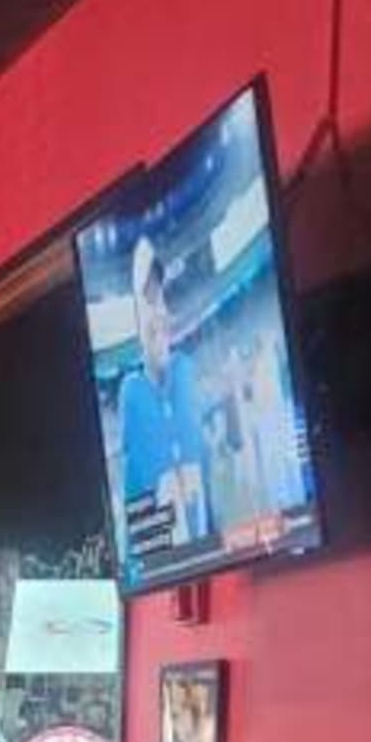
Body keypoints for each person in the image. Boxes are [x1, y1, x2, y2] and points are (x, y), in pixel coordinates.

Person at [113, 232, 213, 567]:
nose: (159, 311)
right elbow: (142, 547)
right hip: (165, 565)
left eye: (162, 298)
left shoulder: (185, 373)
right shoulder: (133, 393)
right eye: (149, 299)